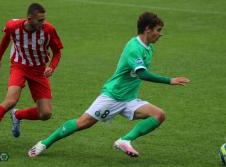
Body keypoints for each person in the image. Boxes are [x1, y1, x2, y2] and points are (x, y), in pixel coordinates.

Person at [28, 12, 190, 158]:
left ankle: (124, 140)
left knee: (159, 115)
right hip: (113, 96)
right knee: (82, 123)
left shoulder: (149, 48)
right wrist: (170, 80)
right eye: (158, 30)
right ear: (148, 29)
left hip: (129, 99)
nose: (160, 34)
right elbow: (142, 74)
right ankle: (44, 143)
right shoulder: (133, 48)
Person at [0, 3, 63, 149]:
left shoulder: (49, 30)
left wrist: (52, 67)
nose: (43, 23)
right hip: (19, 66)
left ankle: (17, 115)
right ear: (29, 19)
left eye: (44, 19)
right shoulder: (13, 26)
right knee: (10, 100)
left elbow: (57, 52)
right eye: (40, 20)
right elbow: (6, 38)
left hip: (39, 71)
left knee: (46, 114)